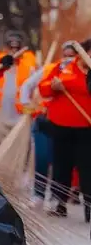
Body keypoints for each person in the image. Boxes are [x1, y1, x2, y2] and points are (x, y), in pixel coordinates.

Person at [38, 39, 91, 220]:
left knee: (87, 168)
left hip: (87, 128)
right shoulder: (63, 67)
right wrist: (53, 87)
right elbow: (43, 88)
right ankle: (59, 203)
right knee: (61, 166)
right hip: (61, 127)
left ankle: (89, 209)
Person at [20, 42, 77, 205]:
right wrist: (28, 106)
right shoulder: (49, 69)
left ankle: (58, 197)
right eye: (65, 54)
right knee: (43, 158)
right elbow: (26, 86)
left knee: (61, 162)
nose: (68, 58)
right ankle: (38, 193)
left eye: (72, 55)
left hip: (67, 125)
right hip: (44, 121)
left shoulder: (81, 73)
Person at [0, 30, 38, 127]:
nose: (14, 51)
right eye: (11, 48)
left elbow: (35, 91)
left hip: (19, 118)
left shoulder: (29, 67)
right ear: (6, 49)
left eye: (17, 48)